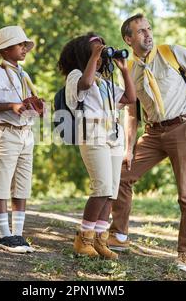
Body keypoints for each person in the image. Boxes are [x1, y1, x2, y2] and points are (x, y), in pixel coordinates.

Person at [109, 14, 186, 271]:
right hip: (154, 132)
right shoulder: (132, 70)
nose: (148, 34)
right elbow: (132, 113)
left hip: (184, 127)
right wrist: (129, 148)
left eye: (149, 29)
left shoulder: (171, 52)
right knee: (122, 175)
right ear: (128, 39)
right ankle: (119, 235)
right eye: (140, 31)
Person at [57, 33, 136, 259]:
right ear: (84, 52)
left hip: (112, 138)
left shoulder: (106, 81)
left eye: (101, 50)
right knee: (101, 188)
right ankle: (84, 238)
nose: (100, 54)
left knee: (110, 193)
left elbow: (130, 98)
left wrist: (124, 70)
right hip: (92, 137)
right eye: (94, 49)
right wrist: (94, 56)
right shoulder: (76, 75)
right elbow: (86, 83)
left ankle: (101, 239)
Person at [0, 26, 39, 253]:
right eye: (20, 45)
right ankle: (3, 234)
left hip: (26, 132)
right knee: (2, 181)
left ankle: (17, 233)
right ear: (5, 49)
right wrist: (12, 105)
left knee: (22, 184)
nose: (25, 48)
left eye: (25, 45)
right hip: (5, 132)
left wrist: (33, 105)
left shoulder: (24, 75)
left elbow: (23, 102)